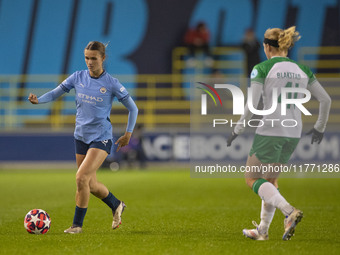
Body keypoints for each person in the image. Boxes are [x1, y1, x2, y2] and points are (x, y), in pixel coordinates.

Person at [226, 26, 331, 241]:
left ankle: (288, 211)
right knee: (270, 181)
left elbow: (253, 104)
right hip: (293, 130)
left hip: (271, 128)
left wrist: (237, 129)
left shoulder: (262, 68)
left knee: (251, 178)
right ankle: (263, 231)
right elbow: (326, 100)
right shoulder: (303, 69)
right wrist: (319, 127)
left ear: (266, 46)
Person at [28, 41, 138, 234]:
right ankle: (116, 204)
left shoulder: (111, 83)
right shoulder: (77, 77)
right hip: (80, 136)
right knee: (91, 184)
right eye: (86, 58)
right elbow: (56, 93)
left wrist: (128, 133)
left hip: (101, 138)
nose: (89, 62)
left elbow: (133, 108)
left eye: (93, 58)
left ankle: (77, 226)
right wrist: (39, 100)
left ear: (103, 58)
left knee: (81, 177)